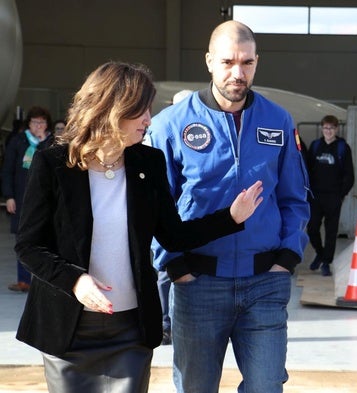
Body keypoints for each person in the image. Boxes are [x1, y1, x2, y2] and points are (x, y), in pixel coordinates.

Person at [13, 61, 263, 393]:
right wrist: (74, 280)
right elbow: (29, 246)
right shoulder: (54, 162)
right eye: (140, 109)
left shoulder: (149, 162)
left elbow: (174, 236)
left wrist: (230, 218)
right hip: (68, 332)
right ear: (110, 109)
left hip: (129, 329)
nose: (148, 118)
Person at [148, 20, 310, 393]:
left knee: (266, 386)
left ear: (256, 62)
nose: (238, 73)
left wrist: (285, 259)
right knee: (196, 387)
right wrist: (175, 266)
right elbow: (156, 208)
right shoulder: (171, 125)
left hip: (264, 284)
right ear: (209, 62)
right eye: (227, 62)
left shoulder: (278, 121)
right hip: (197, 285)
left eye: (247, 63)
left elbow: (293, 197)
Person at [2, 106, 54, 292]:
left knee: (47, 239)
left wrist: (42, 142)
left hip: (47, 199)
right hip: (22, 197)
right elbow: (8, 170)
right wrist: (8, 196)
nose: (38, 125)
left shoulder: (52, 142)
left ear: (47, 124)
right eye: (35, 122)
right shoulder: (18, 141)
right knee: (22, 239)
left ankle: (45, 281)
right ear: (28, 123)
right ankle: (24, 280)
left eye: (42, 122)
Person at [306, 115, 354, 276]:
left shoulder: (342, 148)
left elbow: (349, 175)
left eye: (331, 128)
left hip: (334, 197)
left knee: (331, 231)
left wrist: (341, 195)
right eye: (326, 128)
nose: (328, 131)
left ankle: (326, 262)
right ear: (322, 128)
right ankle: (320, 253)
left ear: (336, 129)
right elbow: (307, 170)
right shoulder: (315, 146)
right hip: (315, 196)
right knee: (312, 228)